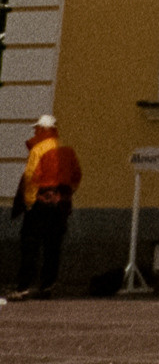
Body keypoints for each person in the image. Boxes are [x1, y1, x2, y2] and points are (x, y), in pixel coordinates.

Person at [15, 114, 83, 299]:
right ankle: (47, 287)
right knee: (53, 247)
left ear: (44, 130)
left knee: (31, 246)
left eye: (37, 128)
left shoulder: (39, 149)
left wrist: (30, 202)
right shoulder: (66, 150)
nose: (35, 131)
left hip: (41, 203)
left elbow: (30, 176)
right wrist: (67, 195)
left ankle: (23, 287)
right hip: (61, 205)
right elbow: (77, 175)